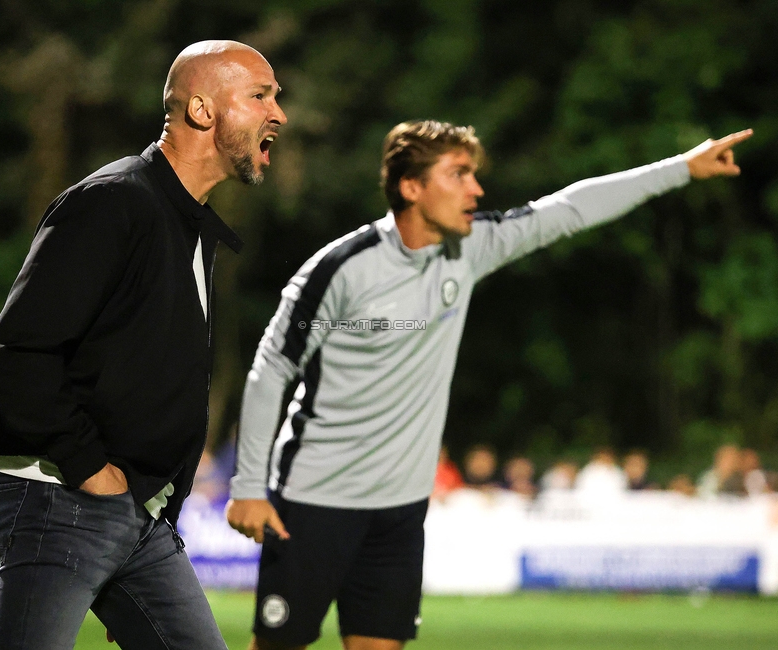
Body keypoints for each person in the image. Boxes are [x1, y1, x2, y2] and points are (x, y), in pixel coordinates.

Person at [226, 119, 751, 650]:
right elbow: (274, 368)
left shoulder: (471, 248)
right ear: (411, 187)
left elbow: (567, 209)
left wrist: (682, 168)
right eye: (458, 174)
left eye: (474, 174)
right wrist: (248, 486)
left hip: (401, 510)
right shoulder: (341, 271)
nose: (476, 189)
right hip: (316, 498)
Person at [0, 40, 286, 650]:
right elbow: (21, 355)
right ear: (201, 109)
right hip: (61, 495)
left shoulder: (187, 221)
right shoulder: (113, 201)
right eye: (260, 95)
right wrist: (92, 469)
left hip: (135, 516)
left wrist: (148, 500)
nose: (279, 113)